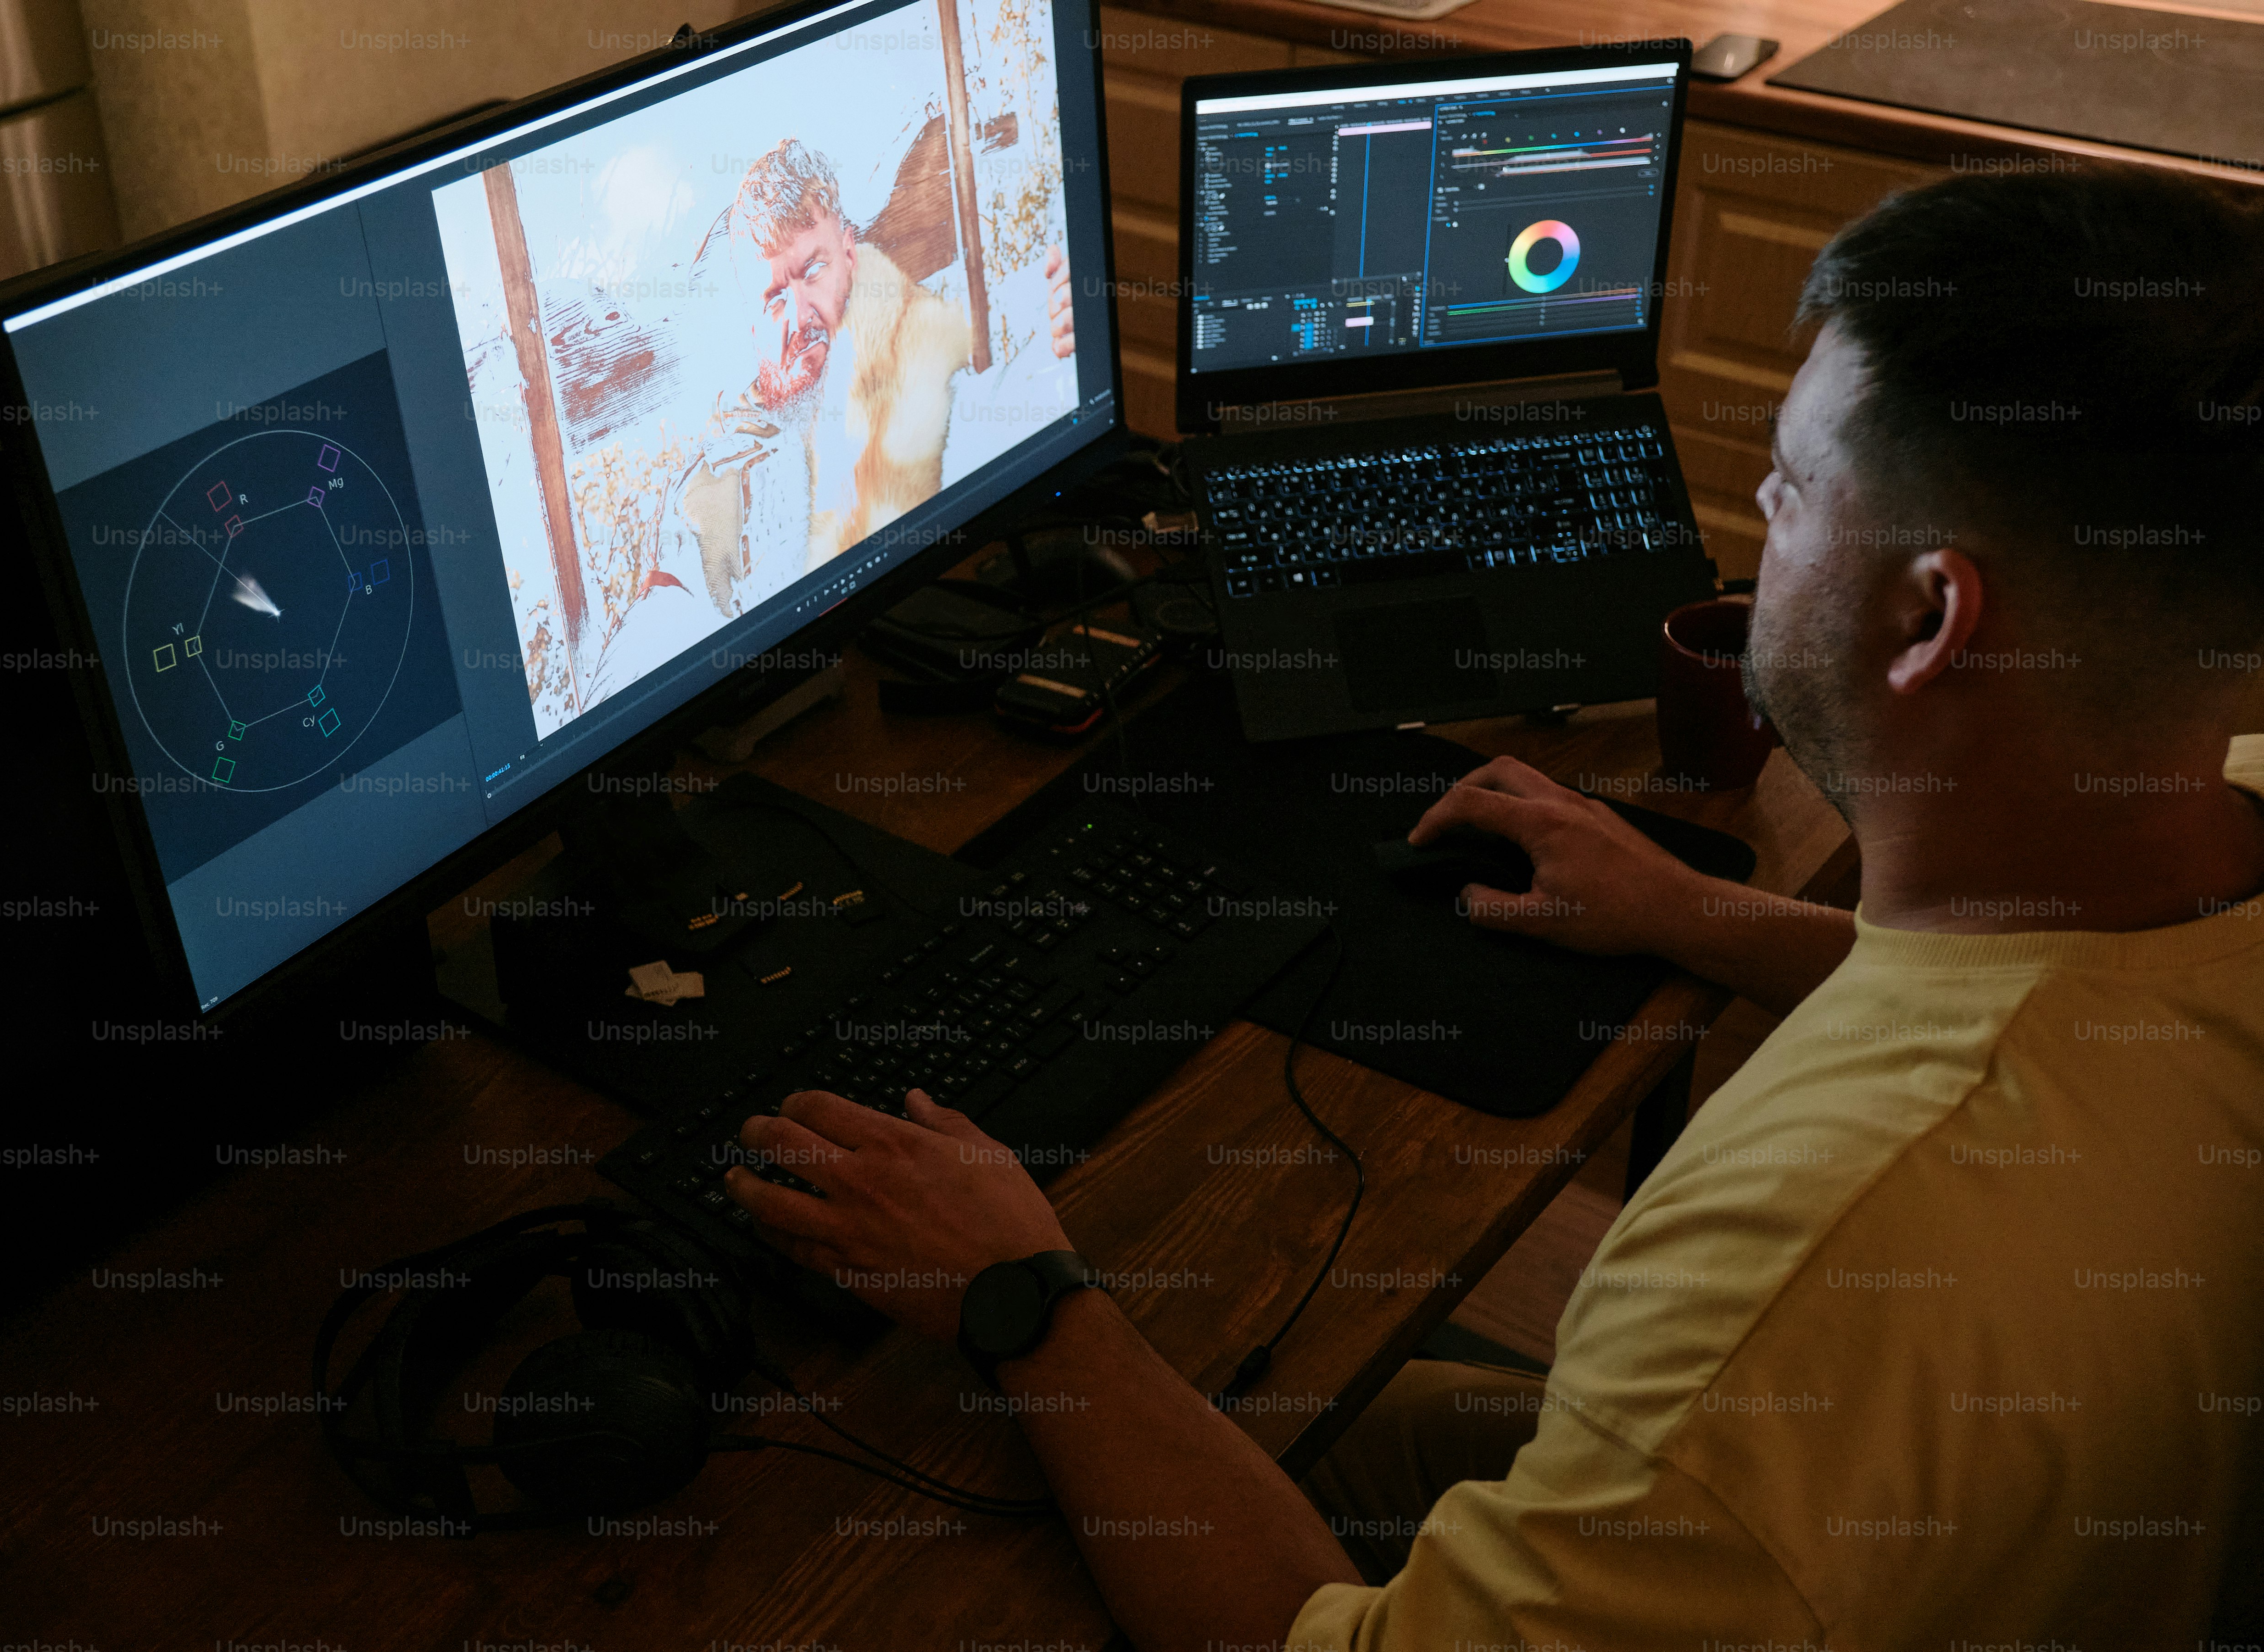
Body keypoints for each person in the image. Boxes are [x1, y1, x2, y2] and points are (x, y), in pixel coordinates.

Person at [717, 162, 2264, 1647]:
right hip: (1984, 1536)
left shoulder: (1807, 1284)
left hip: (1823, 1536)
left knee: (945, 1486)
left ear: (1928, 619)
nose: (1756, 507)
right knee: (1258, 1383)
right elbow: (2036, 1000)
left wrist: (1024, 1298)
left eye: (1790, 489)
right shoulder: (2211, 813)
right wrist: (1698, 915)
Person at [679, 137, 1075, 607]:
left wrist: (1060, 348)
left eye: (814, 270)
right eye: (775, 299)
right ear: (752, 322)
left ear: (850, 256)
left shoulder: (911, 381)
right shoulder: (716, 486)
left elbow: (1002, 421)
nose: (800, 316)